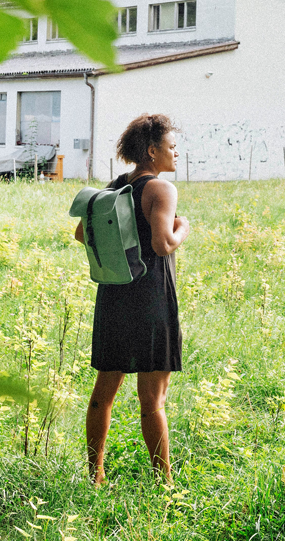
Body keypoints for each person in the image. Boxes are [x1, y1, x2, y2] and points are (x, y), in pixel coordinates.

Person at [73, 114, 191, 485]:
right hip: (151, 296)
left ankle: (96, 476)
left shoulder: (115, 186)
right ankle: (164, 482)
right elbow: (162, 243)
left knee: (104, 391)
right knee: (152, 399)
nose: (176, 152)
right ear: (153, 151)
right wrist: (183, 227)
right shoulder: (161, 189)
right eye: (171, 147)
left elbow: (81, 233)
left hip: (114, 295)